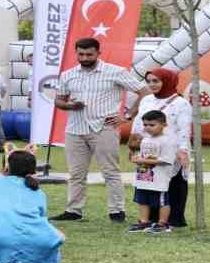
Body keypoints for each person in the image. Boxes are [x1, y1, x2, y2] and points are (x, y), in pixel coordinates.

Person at [51, 37, 150, 222]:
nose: (85, 57)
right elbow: (59, 100)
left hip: (104, 128)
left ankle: (116, 211)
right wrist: (70, 105)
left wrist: (127, 116)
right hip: (75, 129)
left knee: (110, 171)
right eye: (81, 54)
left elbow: (144, 91)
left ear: (98, 53)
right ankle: (73, 210)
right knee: (76, 173)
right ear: (76, 53)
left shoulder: (115, 72)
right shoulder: (68, 74)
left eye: (89, 54)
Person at [131, 68, 191, 227]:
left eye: (156, 81)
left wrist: (183, 150)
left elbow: (184, 128)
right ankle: (149, 219)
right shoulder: (146, 100)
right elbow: (138, 123)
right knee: (148, 180)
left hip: (170, 149)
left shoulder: (181, 103)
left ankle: (172, 220)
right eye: (149, 81)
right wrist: (133, 143)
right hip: (149, 148)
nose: (152, 84)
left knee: (171, 182)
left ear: (167, 81)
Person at [128, 110, 177, 233]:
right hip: (143, 177)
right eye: (145, 125)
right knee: (142, 200)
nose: (148, 128)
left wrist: (143, 160)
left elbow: (166, 160)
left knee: (162, 202)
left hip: (159, 179)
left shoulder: (167, 141)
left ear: (163, 125)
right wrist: (137, 159)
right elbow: (144, 156)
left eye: (152, 125)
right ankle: (144, 222)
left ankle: (163, 224)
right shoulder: (145, 140)